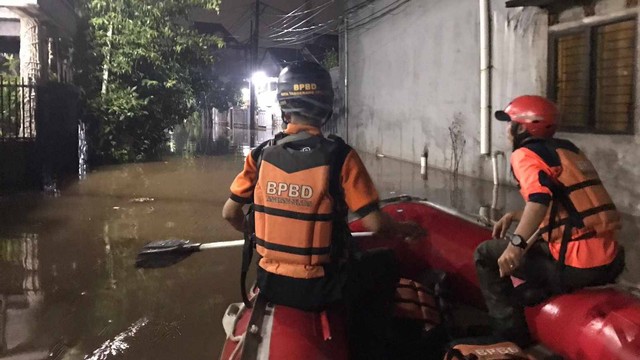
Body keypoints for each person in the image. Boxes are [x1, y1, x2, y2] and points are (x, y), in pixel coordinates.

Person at [222, 61, 424, 358]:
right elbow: (376, 225)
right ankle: (370, 347)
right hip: (322, 288)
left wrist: (258, 233)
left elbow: (230, 213)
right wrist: (406, 230)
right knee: (386, 264)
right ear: (327, 108)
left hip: (270, 284)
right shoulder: (341, 156)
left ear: (283, 107)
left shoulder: (260, 155)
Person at [474, 95, 625, 347]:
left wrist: (515, 246)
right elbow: (569, 208)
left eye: (510, 123)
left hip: (576, 266)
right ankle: (535, 295)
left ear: (523, 127)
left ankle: (509, 335)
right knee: (530, 273)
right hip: (611, 260)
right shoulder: (567, 150)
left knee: (485, 254)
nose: (507, 130)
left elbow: (538, 201)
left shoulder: (524, 155)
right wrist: (513, 216)